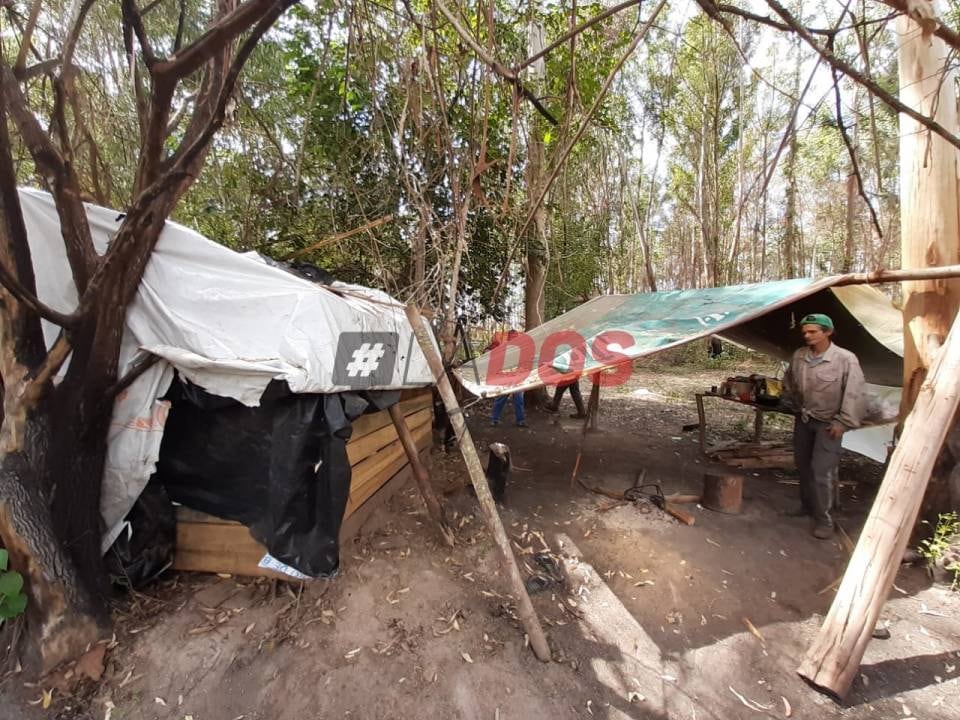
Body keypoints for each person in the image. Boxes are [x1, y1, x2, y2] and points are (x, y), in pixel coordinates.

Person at [782, 313, 865, 539]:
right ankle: (806, 507)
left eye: (813, 332)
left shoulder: (845, 359)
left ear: (827, 332)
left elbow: (854, 393)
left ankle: (824, 519)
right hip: (805, 419)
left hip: (829, 425)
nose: (807, 336)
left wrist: (843, 422)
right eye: (805, 332)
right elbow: (789, 381)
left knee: (822, 471)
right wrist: (792, 403)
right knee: (803, 465)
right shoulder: (800, 356)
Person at [486, 329, 527, 428]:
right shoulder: (504, 348)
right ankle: (495, 419)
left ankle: (520, 421)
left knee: (518, 400)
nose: (513, 339)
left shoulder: (521, 349)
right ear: (508, 338)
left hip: (516, 378)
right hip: (506, 377)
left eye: (515, 337)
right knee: (501, 398)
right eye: (512, 337)